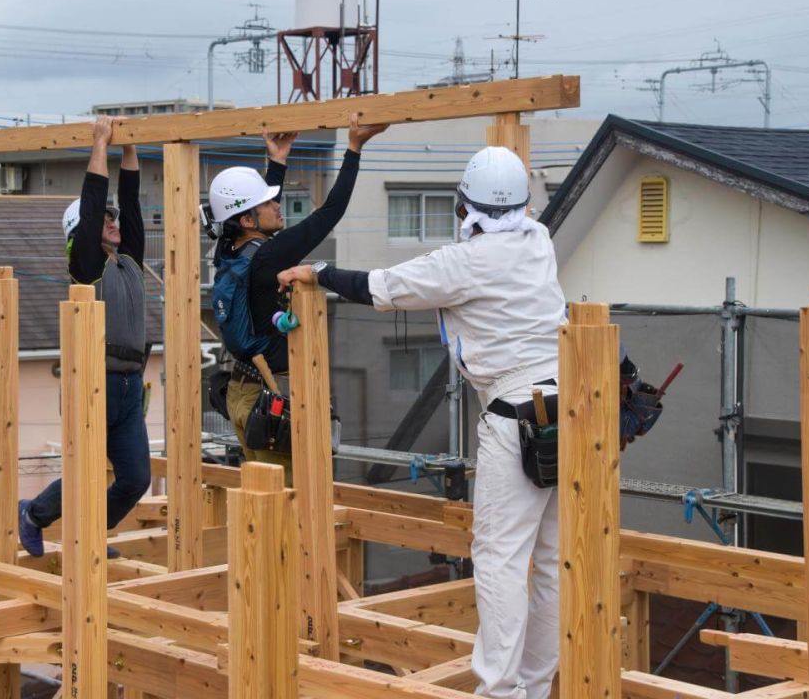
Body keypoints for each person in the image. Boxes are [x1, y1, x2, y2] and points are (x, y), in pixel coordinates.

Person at [277, 146, 565, 699]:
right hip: (571, 406)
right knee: (551, 560)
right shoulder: (540, 241)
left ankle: (501, 692)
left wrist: (317, 272)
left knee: (499, 559)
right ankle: (535, 685)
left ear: (465, 208)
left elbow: (382, 287)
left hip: (517, 415)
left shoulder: (466, 263)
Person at [206, 113, 388, 483]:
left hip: (242, 394)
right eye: (269, 204)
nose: (279, 206)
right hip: (275, 397)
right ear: (247, 221)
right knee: (293, 505)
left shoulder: (227, 249)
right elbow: (330, 213)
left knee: (262, 499)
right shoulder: (269, 257)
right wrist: (353, 148)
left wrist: (277, 161)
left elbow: (256, 213)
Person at [18, 115, 151, 559]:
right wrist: (100, 144)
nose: (114, 222)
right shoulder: (86, 266)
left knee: (135, 478)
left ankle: (90, 528)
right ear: (82, 233)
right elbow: (94, 202)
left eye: (115, 219)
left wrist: (129, 148)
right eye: (105, 219)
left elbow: (129, 205)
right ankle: (35, 514)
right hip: (95, 380)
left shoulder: (127, 260)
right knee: (85, 469)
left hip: (130, 383)